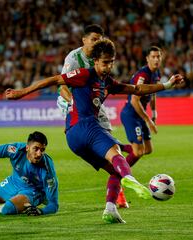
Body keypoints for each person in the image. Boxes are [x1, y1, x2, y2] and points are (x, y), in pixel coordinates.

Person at [4, 39, 184, 223]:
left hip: (74, 139)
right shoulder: (84, 74)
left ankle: (110, 209)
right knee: (117, 153)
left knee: (114, 171)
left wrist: (168, 85)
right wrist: (22, 92)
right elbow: (55, 79)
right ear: (95, 61)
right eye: (105, 62)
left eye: (112, 61)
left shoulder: (108, 82)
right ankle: (130, 178)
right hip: (84, 125)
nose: (109, 66)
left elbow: (137, 89)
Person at [57, 24, 128, 208]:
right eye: (93, 39)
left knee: (110, 147)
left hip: (94, 103)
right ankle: (119, 189)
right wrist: (73, 101)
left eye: (99, 39)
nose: (97, 42)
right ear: (84, 40)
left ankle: (118, 189)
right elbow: (61, 85)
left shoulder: (102, 59)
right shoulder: (73, 58)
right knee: (105, 150)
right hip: (74, 102)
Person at [120, 46, 163, 170]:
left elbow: (153, 93)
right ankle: (118, 174)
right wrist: (148, 120)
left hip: (140, 115)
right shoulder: (143, 75)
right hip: (131, 115)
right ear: (147, 59)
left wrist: (154, 112)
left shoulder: (157, 73)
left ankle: (119, 147)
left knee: (148, 149)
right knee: (138, 152)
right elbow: (134, 100)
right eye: (153, 57)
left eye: (158, 57)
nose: (156, 59)